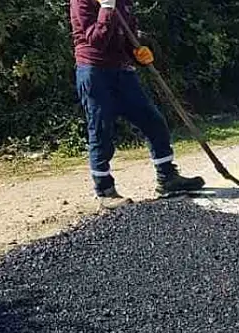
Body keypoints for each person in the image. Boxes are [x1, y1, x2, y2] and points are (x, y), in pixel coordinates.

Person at [70, 0, 205, 208]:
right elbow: (96, 41)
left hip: (122, 71)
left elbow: (127, 37)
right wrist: (106, 9)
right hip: (94, 71)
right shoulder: (83, 1)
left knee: (153, 120)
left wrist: (138, 54)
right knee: (101, 129)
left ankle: (167, 177)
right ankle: (105, 190)